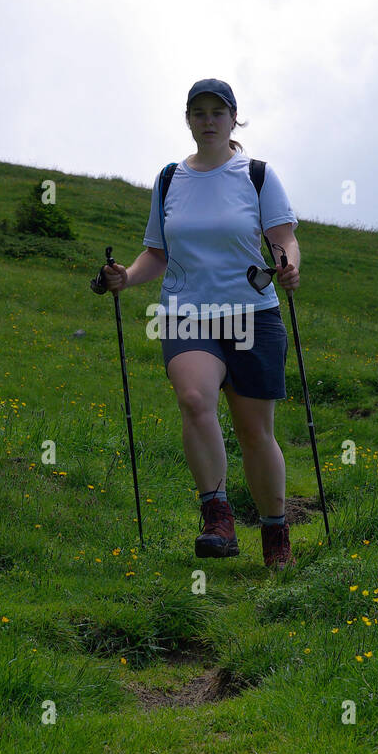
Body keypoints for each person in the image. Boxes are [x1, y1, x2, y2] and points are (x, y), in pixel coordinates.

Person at [102, 78, 300, 569]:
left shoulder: (255, 174)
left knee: (256, 433)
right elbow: (157, 253)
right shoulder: (171, 179)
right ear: (187, 119)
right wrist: (126, 277)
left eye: (217, 112)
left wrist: (288, 262)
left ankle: (275, 536)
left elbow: (283, 238)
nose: (208, 120)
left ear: (234, 119)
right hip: (186, 311)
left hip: (252, 312)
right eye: (198, 112)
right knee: (194, 399)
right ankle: (218, 516)